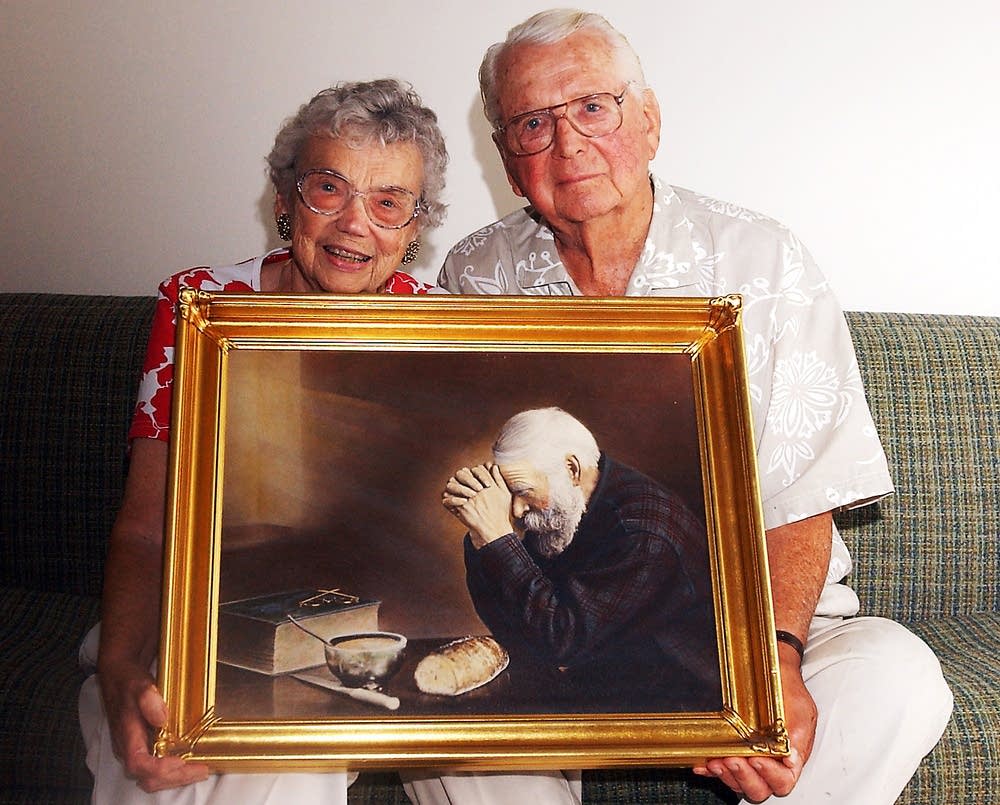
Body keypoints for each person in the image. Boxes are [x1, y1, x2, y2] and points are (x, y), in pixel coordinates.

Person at [435, 9, 953, 804]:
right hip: (566, 647)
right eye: (533, 123)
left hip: (760, 627)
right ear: (508, 160)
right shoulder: (476, 275)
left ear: (648, 121)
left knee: (900, 677)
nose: (568, 143)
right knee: (455, 748)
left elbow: (803, 492)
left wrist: (773, 658)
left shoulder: (762, 259)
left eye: (593, 107)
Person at [78, 78, 449, 804]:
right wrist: (122, 670)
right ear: (285, 200)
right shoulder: (200, 307)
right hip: (208, 613)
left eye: (388, 201)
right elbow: (151, 526)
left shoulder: (442, 326)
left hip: (363, 626)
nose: (354, 223)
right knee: (265, 752)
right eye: (328, 187)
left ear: (413, 227)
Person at [442, 407, 721, 712]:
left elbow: (560, 642)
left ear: (572, 469)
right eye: (510, 494)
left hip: (679, 705)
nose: (518, 511)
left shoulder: (642, 533)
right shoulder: (559, 506)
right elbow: (516, 627)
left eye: (523, 492)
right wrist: (482, 536)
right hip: (603, 685)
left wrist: (498, 537)